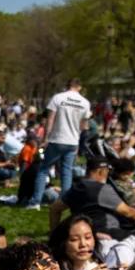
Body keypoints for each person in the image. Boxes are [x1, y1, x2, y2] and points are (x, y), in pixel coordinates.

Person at [31, 78, 91, 207]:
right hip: (72, 141)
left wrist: (45, 138)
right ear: (79, 87)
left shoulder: (58, 98)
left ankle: (35, 202)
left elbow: (50, 119)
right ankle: (64, 203)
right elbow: (84, 126)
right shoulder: (85, 102)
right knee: (67, 172)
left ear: (67, 86)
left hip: (57, 139)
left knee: (44, 170)